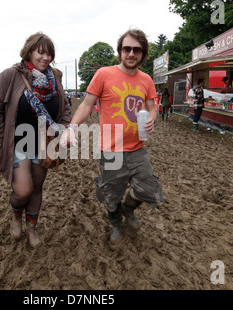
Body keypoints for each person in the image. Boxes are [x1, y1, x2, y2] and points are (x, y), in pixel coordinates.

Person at [60, 29, 163, 243]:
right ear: (120, 51)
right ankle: (115, 223)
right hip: (111, 151)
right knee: (110, 195)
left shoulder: (146, 80)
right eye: (127, 48)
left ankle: (128, 209)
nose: (131, 53)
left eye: (137, 50)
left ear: (143, 54)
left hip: (137, 149)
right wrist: (71, 127)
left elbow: (152, 107)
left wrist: (152, 118)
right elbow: (87, 105)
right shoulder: (103, 74)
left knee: (148, 189)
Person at [0, 32, 72, 247]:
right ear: (29, 51)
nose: (45, 58)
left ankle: (31, 227)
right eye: (40, 52)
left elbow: (65, 107)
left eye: (49, 54)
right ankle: (16, 215)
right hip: (18, 142)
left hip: (43, 142)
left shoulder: (55, 77)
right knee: (23, 190)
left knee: (37, 187)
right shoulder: (10, 76)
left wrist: (66, 129)